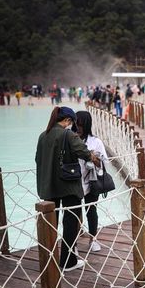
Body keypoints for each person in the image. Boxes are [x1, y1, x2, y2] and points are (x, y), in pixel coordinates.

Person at [35, 106, 100, 272]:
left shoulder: (43, 135)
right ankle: (68, 262)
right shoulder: (68, 134)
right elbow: (83, 152)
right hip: (68, 185)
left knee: (51, 225)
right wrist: (94, 155)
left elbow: (37, 159)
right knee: (70, 224)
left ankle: (49, 261)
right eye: (72, 122)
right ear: (68, 121)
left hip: (48, 186)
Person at [76, 111, 108, 253]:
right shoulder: (69, 139)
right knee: (73, 213)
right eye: (76, 124)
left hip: (91, 181)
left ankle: (93, 239)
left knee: (91, 210)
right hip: (74, 182)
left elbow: (103, 163)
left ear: (87, 124)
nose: (78, 127)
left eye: (81, 124)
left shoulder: (96, 142)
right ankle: (73, 244)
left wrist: (94, 158)